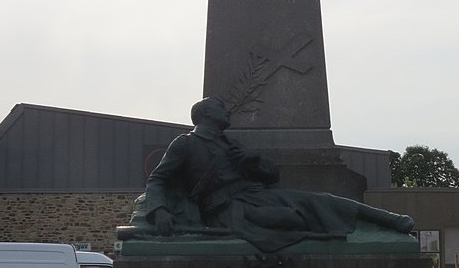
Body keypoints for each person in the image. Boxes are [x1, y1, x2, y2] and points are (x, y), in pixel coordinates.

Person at [142, 97, 414, 253]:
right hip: (230, 210)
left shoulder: (231, 145)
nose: (228, 111)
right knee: (291, 219)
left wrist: (254, 159)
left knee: (323, 200)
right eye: (221, 107)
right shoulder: (186, 144)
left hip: (258, 197)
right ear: (205, 114)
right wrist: (160, 211)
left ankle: (390, 221)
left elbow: (271, 176)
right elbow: (158, 179)